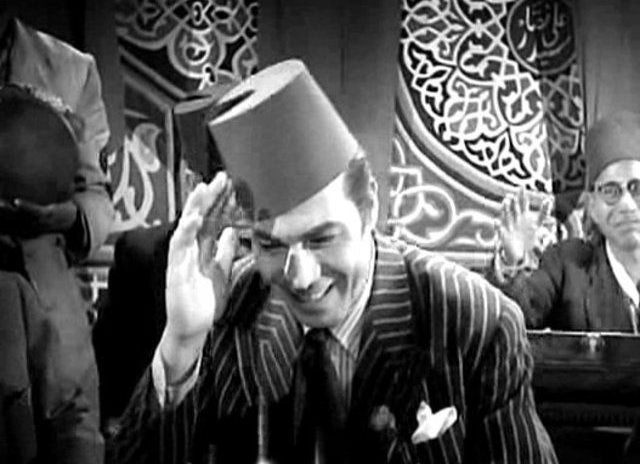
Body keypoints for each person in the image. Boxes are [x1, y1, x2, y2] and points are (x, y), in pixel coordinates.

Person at [107, 59, 556, 464]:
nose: (300, 277)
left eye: (322, 238)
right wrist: (182, 342)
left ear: (369, 208)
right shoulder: (231, 305)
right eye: (271, 245)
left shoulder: (474, 322)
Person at [0, 18, 114, 463]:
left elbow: (95, 195)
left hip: (49, 293)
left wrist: (63, 217)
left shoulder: (71, 68)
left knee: (75, 442)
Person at [493, 111, 640, 331]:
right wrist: (512, 261)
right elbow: (518, 320)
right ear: (592, 206)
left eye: (636, 188)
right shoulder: (566, 264)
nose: (626, 205)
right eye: (611, 191)